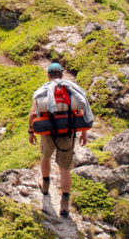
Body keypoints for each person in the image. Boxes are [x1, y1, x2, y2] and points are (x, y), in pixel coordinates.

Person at [28, 62, 91, 218]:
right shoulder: (71, 91)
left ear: (48, 75)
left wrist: (31, 131)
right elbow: (81, 112)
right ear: (62, 75)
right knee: (64, 168)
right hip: (67, 134)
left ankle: (45, 185)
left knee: (45, 157)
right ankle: (64, 203)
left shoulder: (43, 92)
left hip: (48, 133)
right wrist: (84, 134)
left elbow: (32, 114)